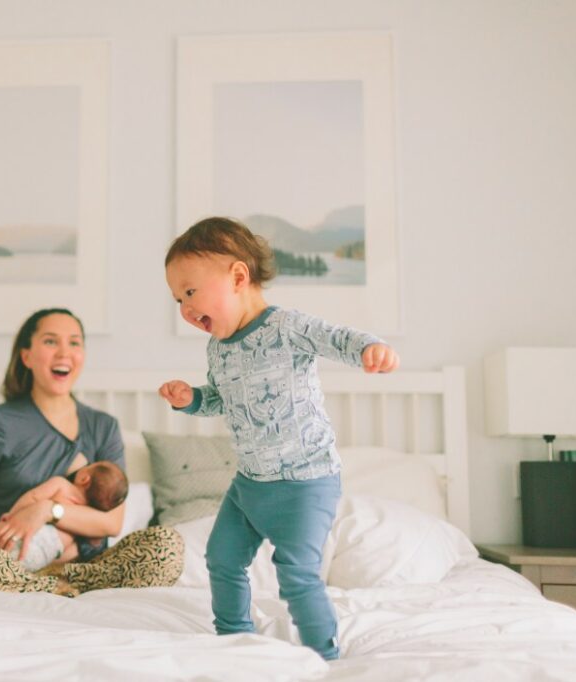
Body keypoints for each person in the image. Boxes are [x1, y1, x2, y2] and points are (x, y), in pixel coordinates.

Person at [158, 217, 400, 661]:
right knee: (222, 558)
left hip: (306, 481)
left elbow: (339, 338)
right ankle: (233, 637)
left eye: (190, 292)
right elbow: (222, 400)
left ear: (237, 277)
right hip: (249, 485)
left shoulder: (286, 327)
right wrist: (192, 399)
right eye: (177, 299)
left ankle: (323, 653)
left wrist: (370, 348)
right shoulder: (218, 347)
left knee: (296, 573)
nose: (185, 309)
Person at [0, 308, 183, 595]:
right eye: (50, 341)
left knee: (166, 548)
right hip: (10, 565)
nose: (64, 352)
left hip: (87, 567)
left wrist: (48, 510)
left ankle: (59, 585)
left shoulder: (103, 427)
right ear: (26, 356)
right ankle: (43, 586)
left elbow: (111, 522)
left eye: (74, 343)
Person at [0, 460, 129, 571]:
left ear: (84, 478)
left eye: (90, 465)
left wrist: (12, 515)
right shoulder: (84, 520)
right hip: (44, 557)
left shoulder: (62, 485)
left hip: (25, 538)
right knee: (11, 569)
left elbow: (33, 497)